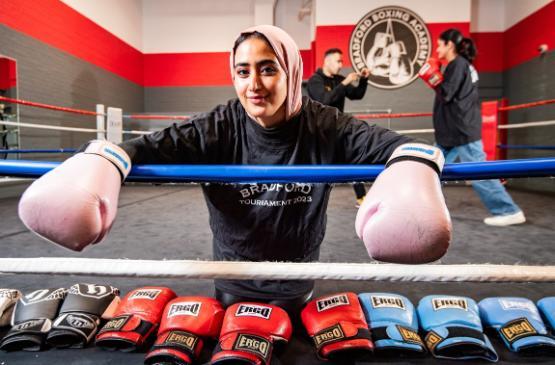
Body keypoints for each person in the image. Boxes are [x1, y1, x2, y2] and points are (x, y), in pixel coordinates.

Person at [18, 25, 451, 317]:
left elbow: (402, 147)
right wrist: (101, 162)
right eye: (243, 71)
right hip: (232, 282)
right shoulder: (219, 125)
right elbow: (142, 147)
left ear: (292, 71)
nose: (254, 85)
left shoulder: (324, 123)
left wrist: (413, 170)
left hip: (297, 282)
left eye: (268, 69)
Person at [420, 28, 525, 226]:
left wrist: (432, 77)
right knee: (431, 170)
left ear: (450, 45)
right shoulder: (461, 65)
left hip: (461, 132)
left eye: (440, 44)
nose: (437, 49)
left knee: (478, 173)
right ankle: (424, 209)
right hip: (451, 133)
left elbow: (447, 93)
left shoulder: (457, 64)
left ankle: (508, 210)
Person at [307, 48, 370, 207]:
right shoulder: (315, 80)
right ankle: (311, 201)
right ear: (327, 61)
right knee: (319, 168)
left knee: (352, 162)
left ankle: (362, 198)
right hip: (319, 132)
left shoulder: (338, 79)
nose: (341, 65)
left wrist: (363, 80)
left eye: (342, 61)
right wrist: (344, 83)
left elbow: (357, 95)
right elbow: (325, 99)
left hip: (338, 129)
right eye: (338, 61)